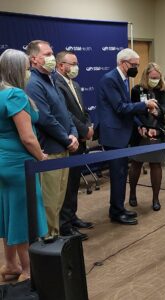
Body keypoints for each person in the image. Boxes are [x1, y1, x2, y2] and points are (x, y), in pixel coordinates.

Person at [0, 49, 48, 281]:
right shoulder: (15, 95)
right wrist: (41, 157)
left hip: (3, 162)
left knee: (8, 213)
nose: (29, 72)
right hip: (20, 164)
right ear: (18, 70)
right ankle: (29, 270)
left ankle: (10, 265)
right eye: (27, 68)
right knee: (23, 216)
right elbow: (28, 137)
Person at [97, 48, 158, 225]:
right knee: (117, 174)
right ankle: (116, 212)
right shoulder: (110, 79)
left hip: (122, 134)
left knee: (121, 174)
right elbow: (121, 108)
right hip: (113, 136)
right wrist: (145, 104)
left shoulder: (122, 79)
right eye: (134, 65)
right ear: (123, 63)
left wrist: (140, 125)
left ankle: (119, 208)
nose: (136, 68)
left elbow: (127, 108)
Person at [26, 40, 79, 237]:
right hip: (51, 151)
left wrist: (72, 133)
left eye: (51, 53)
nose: (51, 58)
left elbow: (65, 112)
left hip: (64, 147)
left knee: (58, 200)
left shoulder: (52, 79)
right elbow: (46, 119)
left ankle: (55, 237)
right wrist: (67, 139)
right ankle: (48, 242)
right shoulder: (33, 83)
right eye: (47, 54)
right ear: (34, 59)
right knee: (49, 202)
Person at [55, 50, 94, 241]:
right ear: (61, 65)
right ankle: (65, 225)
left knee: (75, 182)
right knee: (68, 184)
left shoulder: (76, 84)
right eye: (73, 63)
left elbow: (82, 110)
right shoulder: (56, 83)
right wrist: (82, 130)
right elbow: (65, 114)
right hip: (70, 139)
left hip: (81, 138)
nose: (77, 67)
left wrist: (88, 126)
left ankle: (72, 216)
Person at [128, 62, 165, 211]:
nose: (155, 80)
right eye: (152, 77)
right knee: (136, 163)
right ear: (146, 76)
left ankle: (156, 199)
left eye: (157, 78)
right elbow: (133, 111)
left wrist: (158, 113)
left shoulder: (164, 90)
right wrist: (141, 126)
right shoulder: (136, 90)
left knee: (156, 164)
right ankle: (132, 194)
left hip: (157, 132)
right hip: (140, 133)